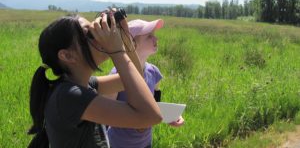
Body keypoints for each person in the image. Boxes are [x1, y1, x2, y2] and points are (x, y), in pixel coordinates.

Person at [28, 12, 162, 148]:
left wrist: (125, 35)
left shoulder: (84, 84)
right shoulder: (69, 95)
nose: (99, 36)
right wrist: (116, 51)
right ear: (67, 55)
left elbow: (136, 75)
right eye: (90, 34)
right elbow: (150, 116)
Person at [106, 19, 185, 148]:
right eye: (149, 36)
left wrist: (170, 115)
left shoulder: (154, 72)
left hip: (145, 143)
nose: (156, 39)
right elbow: (107, 116)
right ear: (132, 44)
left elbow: (154, 105)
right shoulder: (116, 76)